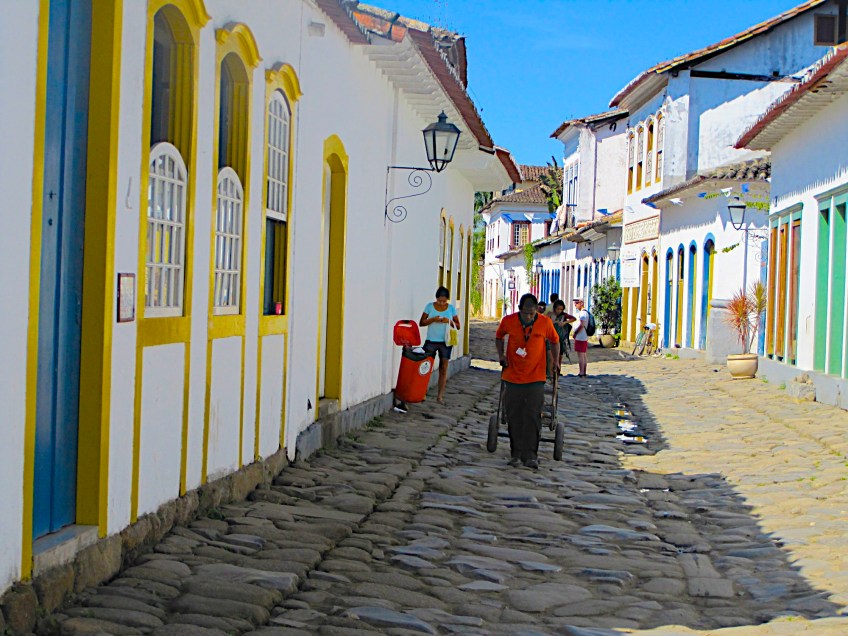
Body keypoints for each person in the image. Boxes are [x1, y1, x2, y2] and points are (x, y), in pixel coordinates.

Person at [495, 293, 560, 469]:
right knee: (514, 415)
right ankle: (516, 454)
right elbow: (499, 337)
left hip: (536, 378)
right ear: (519, 310)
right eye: (526, 313)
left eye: (532, 313)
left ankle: (531, 455)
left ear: (536, 310)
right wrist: (501, 355)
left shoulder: (545, 322)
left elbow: (555, 341)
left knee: (533, 416)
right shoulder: (509, 321)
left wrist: (555, 361)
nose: (529, 317)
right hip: (512, 376)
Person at [419, 286, 460, 404]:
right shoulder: (429, 306)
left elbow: (458, 325)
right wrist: (432, 319)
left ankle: (440, 396)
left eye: (444, 301)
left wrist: (449, 321)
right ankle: (421, 392)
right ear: (436, 298)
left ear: (447, 300)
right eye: (439, 301)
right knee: (425, 366)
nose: (441, 303)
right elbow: (421, 322)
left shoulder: (451, 309)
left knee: (443, 368)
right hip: (431, 341)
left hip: (445, 342)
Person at [551, 299, 575, 367]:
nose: (559, 311)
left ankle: (558, 369)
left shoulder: (564, 315)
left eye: (561, 309)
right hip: (551, 338)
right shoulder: (551, 314)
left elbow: (573, 318)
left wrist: (565, 322)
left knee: (560, 355)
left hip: (560, 338)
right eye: (558, 309)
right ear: (554, 308)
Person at [571, 298, 590, 377]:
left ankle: (581, 372)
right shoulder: (584, 313)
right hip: (583, 336)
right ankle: (583, 371)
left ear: (581, 303)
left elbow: (582, 325)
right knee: (583, 354)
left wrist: (575, 332)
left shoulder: (583, 313)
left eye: (576, 303)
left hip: (581, 336)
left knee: (581, 355)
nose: (575, 305)